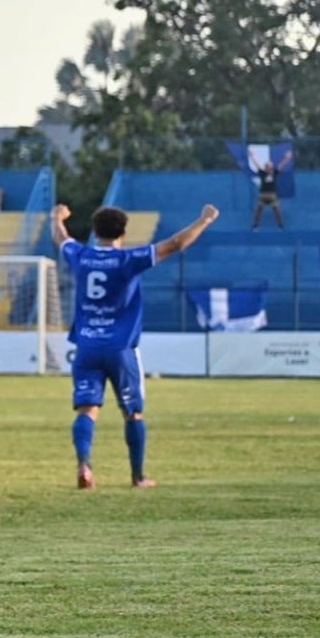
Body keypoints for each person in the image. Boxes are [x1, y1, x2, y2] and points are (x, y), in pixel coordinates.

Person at [51, 201, 219, 490]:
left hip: (87, 347)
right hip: (120, 349)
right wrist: (204, 220)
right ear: (123, 233)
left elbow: (61, 238)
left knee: (87, 411)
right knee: (133, 413)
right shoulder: (129, 259)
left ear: (95, 232)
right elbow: (177, 244)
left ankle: (84, 464)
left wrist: (57, 216)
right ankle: (138, 476)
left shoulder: (81, 255)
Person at [250, 156, 288, 230]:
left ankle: (280, 225)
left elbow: (281, 165)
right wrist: (252, 156)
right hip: (263, 195)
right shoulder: (263, 173)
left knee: (277, 210)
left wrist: (287, 158)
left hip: (272, 195)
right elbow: (256, 164)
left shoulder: (275, 173)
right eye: (268, 166)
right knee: (259, 210)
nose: (269, 168)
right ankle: (256, 225)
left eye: (270, 166)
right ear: (266, 167)